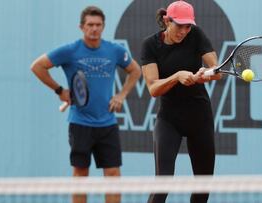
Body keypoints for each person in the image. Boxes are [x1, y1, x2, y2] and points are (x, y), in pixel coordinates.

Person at [31, 6, 141, 203]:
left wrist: (122, 95)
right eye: (90, 25)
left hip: (107, 124)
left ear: (103, 27)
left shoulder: (114, 50)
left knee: (113, 175)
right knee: (80, 175)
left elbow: (135, 71)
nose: (94, 29)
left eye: (98, 25)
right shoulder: (70, 50)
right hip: (80, 123)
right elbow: (37, 66)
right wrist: (60, 91)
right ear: (81, 27)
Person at [140, 1, 222, 203]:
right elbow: (153, 88)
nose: (184, 31)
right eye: (179, 25)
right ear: (167, 21)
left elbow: (216, 70)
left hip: (199, 117)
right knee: (163, 183)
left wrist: (206, 74)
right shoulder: (150, 45)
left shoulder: (196, 34)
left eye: (188, 26)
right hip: (169, 120)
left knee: (203, 184)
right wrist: (176, 77)